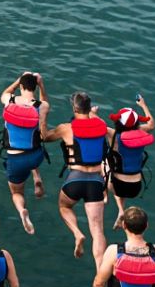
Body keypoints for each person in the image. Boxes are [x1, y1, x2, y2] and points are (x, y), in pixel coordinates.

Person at [40, 92, 113, 262]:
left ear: (74, 108)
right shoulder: (101, 126)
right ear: (89, 108)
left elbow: (44, 137)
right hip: (96, 181)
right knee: (97, 231)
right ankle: (100, 270)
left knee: (64, 207)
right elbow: (96, 122)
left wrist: (43, 117)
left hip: (75, 178)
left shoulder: (66, 128)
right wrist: (93, 113)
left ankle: (77, 233)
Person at [0, 72, 50, 234]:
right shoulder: (41, 106)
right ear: (35, 87)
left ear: (21, 86)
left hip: (16, 159)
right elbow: (45, 103)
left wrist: (17, 80)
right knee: (34, 141)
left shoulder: (9, 100)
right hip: (36, 156)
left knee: (16, 192)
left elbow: (5, 93)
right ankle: (37, 177)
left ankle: (22, 211)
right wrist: (41, 85)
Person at [107, 98, 155, 231]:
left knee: (105, 162)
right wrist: (143, 105)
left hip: (117, 186)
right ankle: (121, 210)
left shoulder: (113, 134)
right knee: (120, 176)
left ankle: (107, 197)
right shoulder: (142, 131)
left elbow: (97, 124)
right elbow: (151, 124)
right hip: (136, 187)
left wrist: (92, 112)